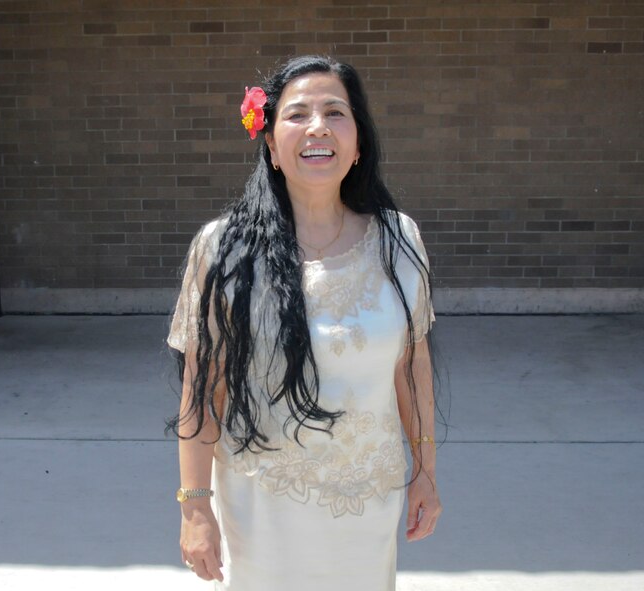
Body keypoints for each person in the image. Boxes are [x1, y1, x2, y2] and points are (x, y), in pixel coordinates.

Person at [166, 55, 442, 591]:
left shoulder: (399, 240)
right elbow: (202, 390)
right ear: (269, 143)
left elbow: (413, 366)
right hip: (263, 506)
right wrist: (195, 507)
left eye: (335, 112)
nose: (317, 126)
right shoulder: (222, 249)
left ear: (358, 142)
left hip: (367, 501)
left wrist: (425, 471)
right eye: (297, 114)